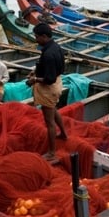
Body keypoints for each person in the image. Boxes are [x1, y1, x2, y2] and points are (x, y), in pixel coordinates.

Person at [26, 22, 67, 161]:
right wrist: (36, 71)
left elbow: (48, 79)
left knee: (49, 122)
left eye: (37, 37)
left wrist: (34, 79)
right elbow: (59, 70)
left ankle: (51, 153)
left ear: (44, 36)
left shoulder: (48, 54)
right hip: (58, 82)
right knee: (54, 109)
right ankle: (63, 134)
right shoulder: (57, 47)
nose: (36, 39)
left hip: (49, 88)